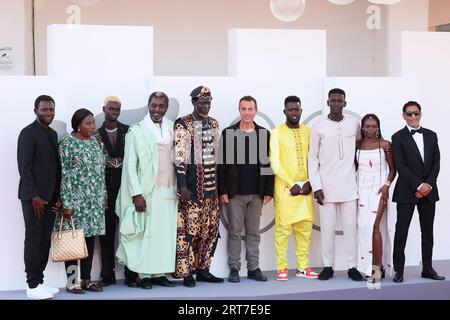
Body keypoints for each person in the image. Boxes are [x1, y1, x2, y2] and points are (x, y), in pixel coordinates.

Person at [115, 91, 178, 289]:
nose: (157, 110)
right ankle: (144, 276)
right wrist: (136, 194)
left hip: (168, 190)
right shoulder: (137, 131)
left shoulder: (172, 128)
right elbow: (130, 165)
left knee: (163, 234)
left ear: (166, 108)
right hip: (146, 192)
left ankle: (159, 273)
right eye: (153, 105)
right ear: (148, 105)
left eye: (161, 106)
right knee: (144, 235)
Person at [308, 88, 363, 281]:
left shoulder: (354, 124)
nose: (337, 104)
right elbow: (312, 158)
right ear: (328, 103)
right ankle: (328, 266)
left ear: (345, 103)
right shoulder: (319, 126)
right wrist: (317, 187)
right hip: (326, 189)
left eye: (340, 101)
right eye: (333, 100)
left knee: (350, 230)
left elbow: (360, 151)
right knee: (327, 231)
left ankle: (352, 267)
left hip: (350, 188)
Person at [217, 95, 274, 283]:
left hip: (257, 192)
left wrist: (268, 190)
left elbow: (267, 164)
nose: (247, 112)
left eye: (250, 109)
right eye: (244, 109)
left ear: (256, 111)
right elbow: (222, 165)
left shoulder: (264, 134)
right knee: (234, 231)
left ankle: (253, 268)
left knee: (253, 232)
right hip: (235, 193)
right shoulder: (228, 133)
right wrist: (222, 190)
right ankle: (234, 268)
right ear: (239, 110)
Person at [174, 85, 224, 287]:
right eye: (202, 102)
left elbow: (216, 155)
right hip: (191, 191)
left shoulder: (213, 123)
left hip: (211, 191)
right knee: (189, 233)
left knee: (209, 232)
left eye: (209, 102)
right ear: (194, 102)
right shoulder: (183, 124)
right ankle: (186, 273)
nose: (206, 106)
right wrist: (182, 187)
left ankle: (204, 269)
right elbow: (179, 158)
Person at [391, 101, 445, 283]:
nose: (413, 117)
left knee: (427, 231)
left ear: (420, 114)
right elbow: (400, 165)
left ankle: (427, 269)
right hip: (407, 191)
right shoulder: (397, 137)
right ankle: (398, 271)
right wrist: (418, 185)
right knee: (401, 231)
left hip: (429, 191)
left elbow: (436, 163)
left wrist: (427, 185)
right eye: (409, 114)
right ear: (403, 116)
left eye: (416, 113)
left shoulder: (431, 135)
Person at [58, 108, 106, 294]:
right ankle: (72, 282)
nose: (92, 126)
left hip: (94, 202)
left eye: (93, 122)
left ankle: (86, 280)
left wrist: (104, 196)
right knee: (73, 242)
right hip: (75, 202)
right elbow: (65, 175)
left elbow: (100, 172)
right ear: (78, 125)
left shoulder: (95, 142)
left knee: (89, 241)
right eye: (88, 123)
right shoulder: (67, 144)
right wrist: (66, 203)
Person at [17, 95, 61, 299]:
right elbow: (24, 168)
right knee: (34, 240)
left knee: (45, 241)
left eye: (51, 109)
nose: (49, 113)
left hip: (50, 199)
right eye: (44, 110)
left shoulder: (52, 134)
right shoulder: (27, 134)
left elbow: (55, 168)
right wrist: (34, 196)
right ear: (35, 111)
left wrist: (57, 197)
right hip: (33, 199)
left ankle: (39, 281)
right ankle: (32, 285)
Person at [270, 96, 318, 281]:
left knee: (305, 230)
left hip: (306, 187)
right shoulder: (276, 133)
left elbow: (314, 159)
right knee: (282, 230)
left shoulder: (309, 132)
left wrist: (310, 183)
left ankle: (303, 267)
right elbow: (275, 161)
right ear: (285, 112)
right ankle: (281, 267)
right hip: (286, 188)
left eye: (297, 110)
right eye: (290, 110)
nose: (294, 113)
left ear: (301, 111)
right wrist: (291, 184)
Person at [95, 96, 138, 287]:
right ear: (104, 109)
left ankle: (131, 274)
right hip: (106, 194)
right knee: (106, 235)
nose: (114, 112)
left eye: (117, 109)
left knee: (129, 233)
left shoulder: (128, 131)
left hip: (127, 191)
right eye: (111, 109)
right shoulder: (95, 135)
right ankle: (107, 275)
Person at [355, 114, 395, 282]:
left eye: (373, 126)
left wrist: (386, 185)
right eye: (367, 126)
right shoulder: (357, 145)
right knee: (364, 228)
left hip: (379, 190)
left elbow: (393, 170)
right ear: (362, 128)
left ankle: (378, 269)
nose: (370, 129)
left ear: (378, 127)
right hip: (361, 190)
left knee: (375, 227)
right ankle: (366, 267)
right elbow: (356, 169)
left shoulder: (385, 144)